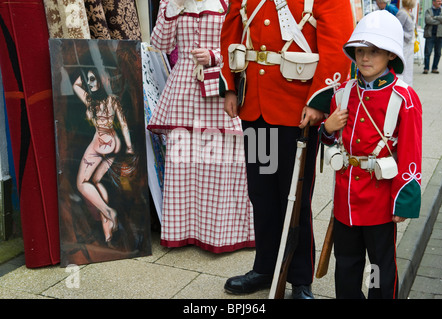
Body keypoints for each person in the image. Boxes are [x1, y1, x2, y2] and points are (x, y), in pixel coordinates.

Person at [220, 0, 353, 299]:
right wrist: (230, 86)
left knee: (294, 197)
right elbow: (232, 30)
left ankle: (299, 277)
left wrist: (319, 101)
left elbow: (337, 43)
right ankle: (266, 266)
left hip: (297, 111)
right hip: (255, 109)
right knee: (261, 193)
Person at [320, 10, 422, 299]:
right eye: (360, 51)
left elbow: (411, 152)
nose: (365, 58)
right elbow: (329, 141)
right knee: (347, 265)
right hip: (345, 196)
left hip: (380, 198)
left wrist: (403, 201)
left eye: (375, 51)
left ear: (391, 55)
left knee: (378, 268)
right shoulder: (342, 92)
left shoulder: (405, 98)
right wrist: (327, 129)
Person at [148, 0, 255, 253]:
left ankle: (224, 233)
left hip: (220, 85)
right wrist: (173, 7)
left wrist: (213, 56)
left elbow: (243, 43)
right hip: (184, 86)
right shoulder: (171, 2)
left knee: (222, 160)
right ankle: (184, 231)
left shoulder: (229, 2)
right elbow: (160, 44)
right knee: (185, 160)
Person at [73, 69, 135, 244]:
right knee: (97, 182)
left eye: (93, 79)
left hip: (100, 145)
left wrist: (83, 67)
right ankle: (108, 233)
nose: (90, 83)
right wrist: (128, 147)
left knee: (82, 183)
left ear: (101, 80)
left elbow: (75, 84)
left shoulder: (91, 101)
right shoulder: (110, 100)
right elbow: (122, 126)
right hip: (113, 145)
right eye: (88, 80)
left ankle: (109, 212)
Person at [423, 0, 442, 74]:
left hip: (440, 34)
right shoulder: (428, 10)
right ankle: (426, 68)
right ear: (433, 2)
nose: (440, 2)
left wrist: (434, 17)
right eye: (438, 1)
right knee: (427, 52)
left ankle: (435, 68)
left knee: (438, 53)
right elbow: (428, 20)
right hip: (430, 34)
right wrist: (439, 21)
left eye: (440, 1)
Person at [396, 0, 417, 86]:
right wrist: (406, 36)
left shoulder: (408, 13)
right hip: (404, 43)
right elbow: (397, 28)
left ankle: (408, 85)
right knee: (404, 65)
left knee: (408, 66)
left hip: (409, 43)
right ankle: (401, 84)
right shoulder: (402, 13)